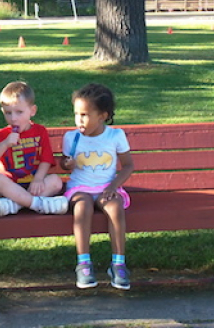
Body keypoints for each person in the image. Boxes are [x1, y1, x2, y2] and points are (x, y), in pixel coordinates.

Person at [59, 83, 134, 290]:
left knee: (115, 208)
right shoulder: (71, 137)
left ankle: (118, 264)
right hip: (79, 188)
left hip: (106, 187)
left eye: (85, 115)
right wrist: (66, 164)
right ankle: (84, 263)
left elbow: (128, 166)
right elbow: (64, 163)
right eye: (76, 114)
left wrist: (113, 186)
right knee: (82, 208)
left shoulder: (115, 136)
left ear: (102, 115)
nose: (79, 120)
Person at [0, 81, 68, 216]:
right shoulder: (2, 136)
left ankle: (17, 205)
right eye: (8, 113)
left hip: (34, 185)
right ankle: (37, 204)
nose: (13, 119)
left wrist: (39, 179)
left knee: (56, 181)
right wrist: (5, 143)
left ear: (32, 111)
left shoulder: (40, 132)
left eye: (19, 112)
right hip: (9, 188)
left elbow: (46, 159)